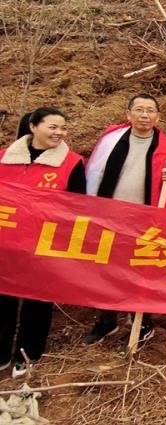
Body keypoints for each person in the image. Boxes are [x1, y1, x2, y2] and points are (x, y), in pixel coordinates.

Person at [81, 94, 166, 346]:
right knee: (107, 268)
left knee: (140, 269)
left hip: (145, 219)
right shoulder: (112, 139)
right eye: (139, 109)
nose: (144, 115)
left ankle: (142, 321)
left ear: (158, 117)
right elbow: (94, 170)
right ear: (128, 114)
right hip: (109, 215)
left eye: (150, 111)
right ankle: (107, 320)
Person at [0, 108, 86, 378]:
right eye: (52, 127)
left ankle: (27, 355)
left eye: (63, 128)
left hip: (44, 245)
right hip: (5, 244)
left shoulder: (72, 163)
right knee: (2, 299)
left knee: (37, 302)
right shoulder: (4, 158)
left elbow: (77, 208)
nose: (59, 132)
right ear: (33, 126)